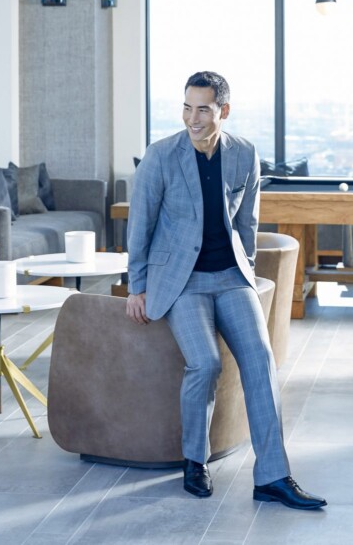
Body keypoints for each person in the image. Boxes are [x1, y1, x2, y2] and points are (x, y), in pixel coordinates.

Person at [126, 70, 326, 510]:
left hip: (230, 277)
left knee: (260, 359)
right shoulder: (161, 156)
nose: (192, 118)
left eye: (203, 109)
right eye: (186, 107)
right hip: (182, 282)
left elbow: (247, 224)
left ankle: (273, 476)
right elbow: (139, 224)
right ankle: (194, 459)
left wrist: (247, 272)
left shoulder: (245, 154)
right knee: (206, 363)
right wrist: (137, 286)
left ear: (224, 111)